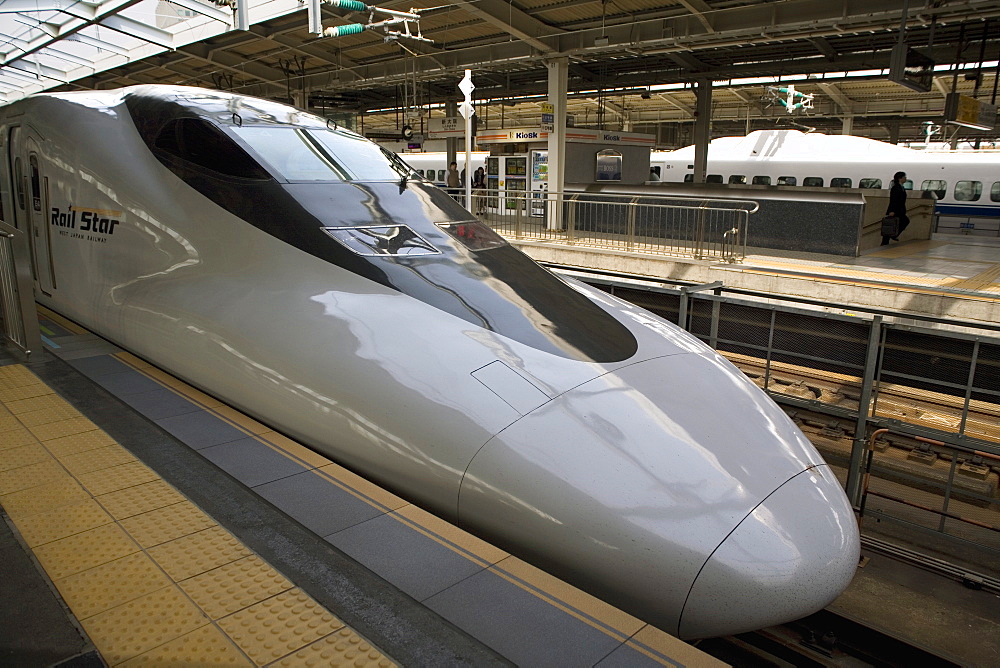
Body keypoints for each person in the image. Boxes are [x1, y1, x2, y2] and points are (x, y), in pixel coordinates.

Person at [882, 171, 909, 245]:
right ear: (900, 178)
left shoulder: (901, 187)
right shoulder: (896, 188)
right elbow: (893, 200)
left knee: (892, 225)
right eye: (904, 177)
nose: (906, 179)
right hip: (896, 210)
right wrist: (891, 210)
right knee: (895, 224)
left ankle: (887, 240)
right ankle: (890, 238)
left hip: (899, 210)